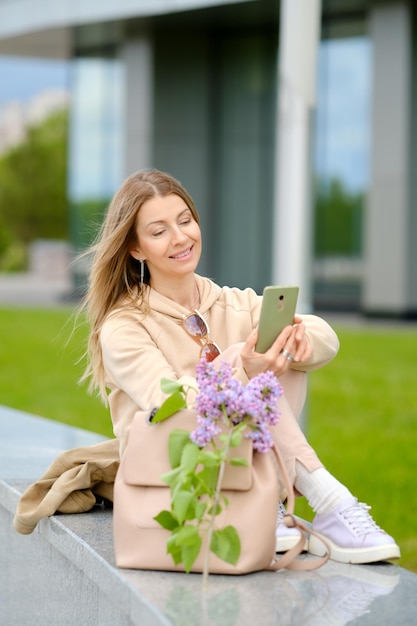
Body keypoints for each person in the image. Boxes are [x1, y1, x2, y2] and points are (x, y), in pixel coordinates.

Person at [80, 168, 400, 564]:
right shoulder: (124, 325)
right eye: (159, 231)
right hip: (170, 460)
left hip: (234, 453)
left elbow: (326, 337)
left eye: (185, 221)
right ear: (136, 248)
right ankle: (330, 501)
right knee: (244, 364)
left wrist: (297, 339)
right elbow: (170, 402)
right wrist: (243, 369)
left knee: (281, 352)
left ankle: (269, 499)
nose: (180, 238)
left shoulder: (232, 301)